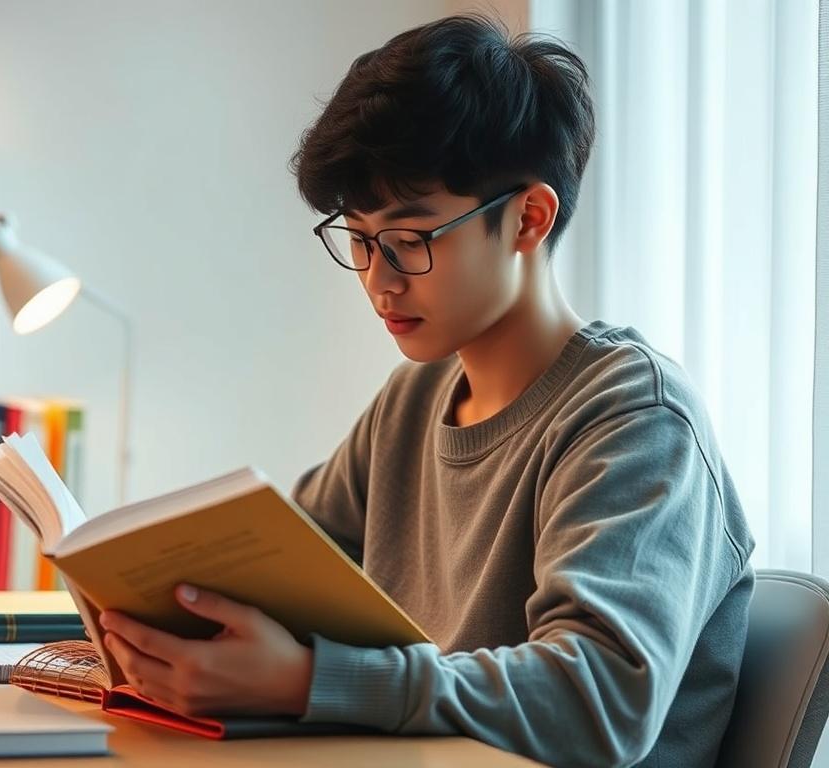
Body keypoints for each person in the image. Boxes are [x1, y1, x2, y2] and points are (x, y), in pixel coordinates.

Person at [99, 13, 755, 767]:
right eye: (358, 238)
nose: (379, 278)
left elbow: (598, 700)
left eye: (410, 240)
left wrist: (310, 681)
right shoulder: (414, 400)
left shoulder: (636, 420)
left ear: (527, 220)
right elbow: (286, 570)